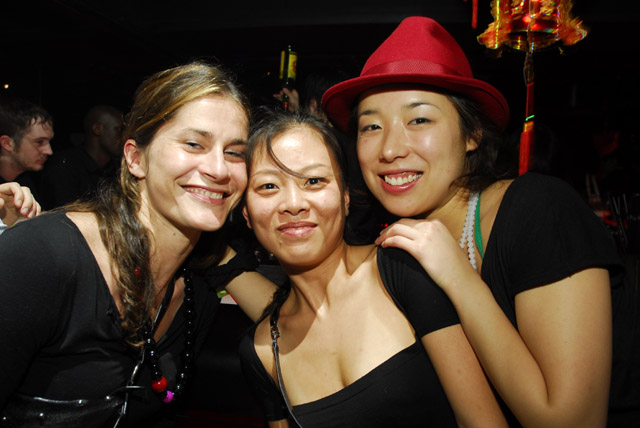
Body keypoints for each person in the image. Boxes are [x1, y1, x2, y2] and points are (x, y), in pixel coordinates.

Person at [322, 16, 631, 427]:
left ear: (472, 135)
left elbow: (571, 421)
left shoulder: (539, 210)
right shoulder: (391, 243)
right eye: (371, 126)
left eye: (419, 119)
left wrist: (458, 276)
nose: (390, 149)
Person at [0, 61, 274, 427]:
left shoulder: (195, 292)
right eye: (194, 144)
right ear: (136, 158)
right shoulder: (44, 255)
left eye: (235, 152)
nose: (220, 169)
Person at [239, 110, 507, 428]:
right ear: (246, 213)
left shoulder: (402, 271)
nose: (293, 204)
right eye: (269, 186)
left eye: (314, 181)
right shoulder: (261, 350)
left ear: (345, 197)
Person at [39, 104, 124, 209]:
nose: (124, 136)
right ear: (97, 129)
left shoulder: (115, 168)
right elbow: (63, 213)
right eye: (119, 130)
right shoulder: (65, 166)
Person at [0, 97, 54, 199]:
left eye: (49, 141)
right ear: (7, 143)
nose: (49, 151)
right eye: (39, 142)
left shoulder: (27, 180)